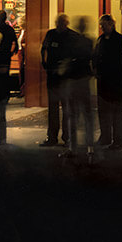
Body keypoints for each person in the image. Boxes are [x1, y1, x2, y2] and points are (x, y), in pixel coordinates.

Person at [39, 14, 76, 147]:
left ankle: (66, 137)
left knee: (66, 108)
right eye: (57, 22)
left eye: (61, 22)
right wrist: (44, 63)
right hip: (53, 76)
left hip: (65, 78)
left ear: (66, 23)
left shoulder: (72, 36)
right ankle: (53, 137)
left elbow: (75, 56)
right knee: (53, 107)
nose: (59, 25)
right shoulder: (51, 34)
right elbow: (43, 49)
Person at [60, 17, 95, 158]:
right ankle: (89, 146)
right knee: (87, 115)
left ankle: (73, 147)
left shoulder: (72, 41)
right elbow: (89, 59)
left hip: (74, 80)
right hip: (84, 80)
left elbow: (69, 59)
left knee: (73, 115)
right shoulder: (89, 41)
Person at [94, 14, 122, 151]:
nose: (101, 27)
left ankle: (118, 139)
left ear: (111, 24)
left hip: (114, 79)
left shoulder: (118, 39)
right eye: (101, 25)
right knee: (103, 109)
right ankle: (105, 136)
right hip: (103, 79)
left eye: (104, 25)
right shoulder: (100, 39)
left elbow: (115, 58)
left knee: (115, 111)